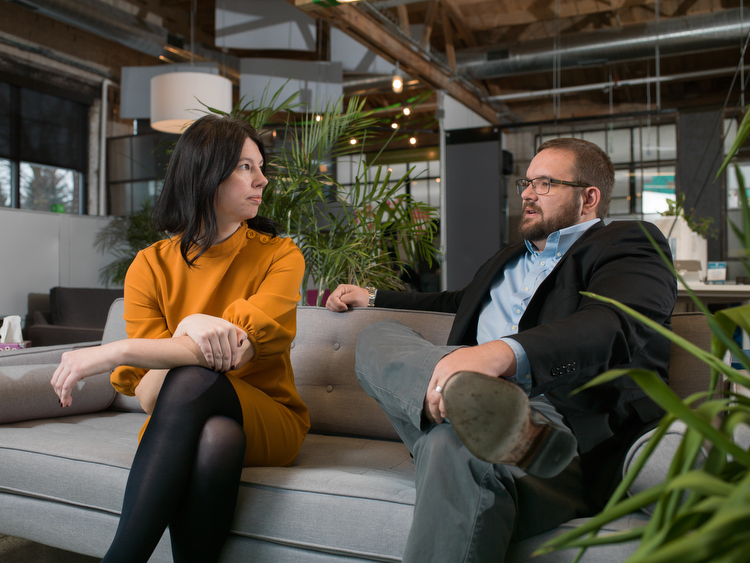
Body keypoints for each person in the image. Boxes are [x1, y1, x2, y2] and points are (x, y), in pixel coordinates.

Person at [326, 138, 676, 562]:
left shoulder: (630, 243)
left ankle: (480, 411)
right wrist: (375, 296)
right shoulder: (508, 257)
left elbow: (613, 325)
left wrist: (497, 354)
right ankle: (464, 401)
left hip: (557, 434)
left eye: (545, 183)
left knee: (449, 448)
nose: (527, 193)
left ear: (589, 197)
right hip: (462, 401)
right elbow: (455, 303)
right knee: (376, 336)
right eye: (527, 183)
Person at [50, 114, 310, 563]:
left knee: (190, 379)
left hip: (270, 417)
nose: (262, 179)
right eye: (246, 167)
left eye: (260, 167)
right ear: (205, 172)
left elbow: (233, 350)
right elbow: (152, 393)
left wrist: (118, 350)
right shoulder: (149, 266)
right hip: (188, 419)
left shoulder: (281, 256)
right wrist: (194, 328)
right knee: (215, 435)